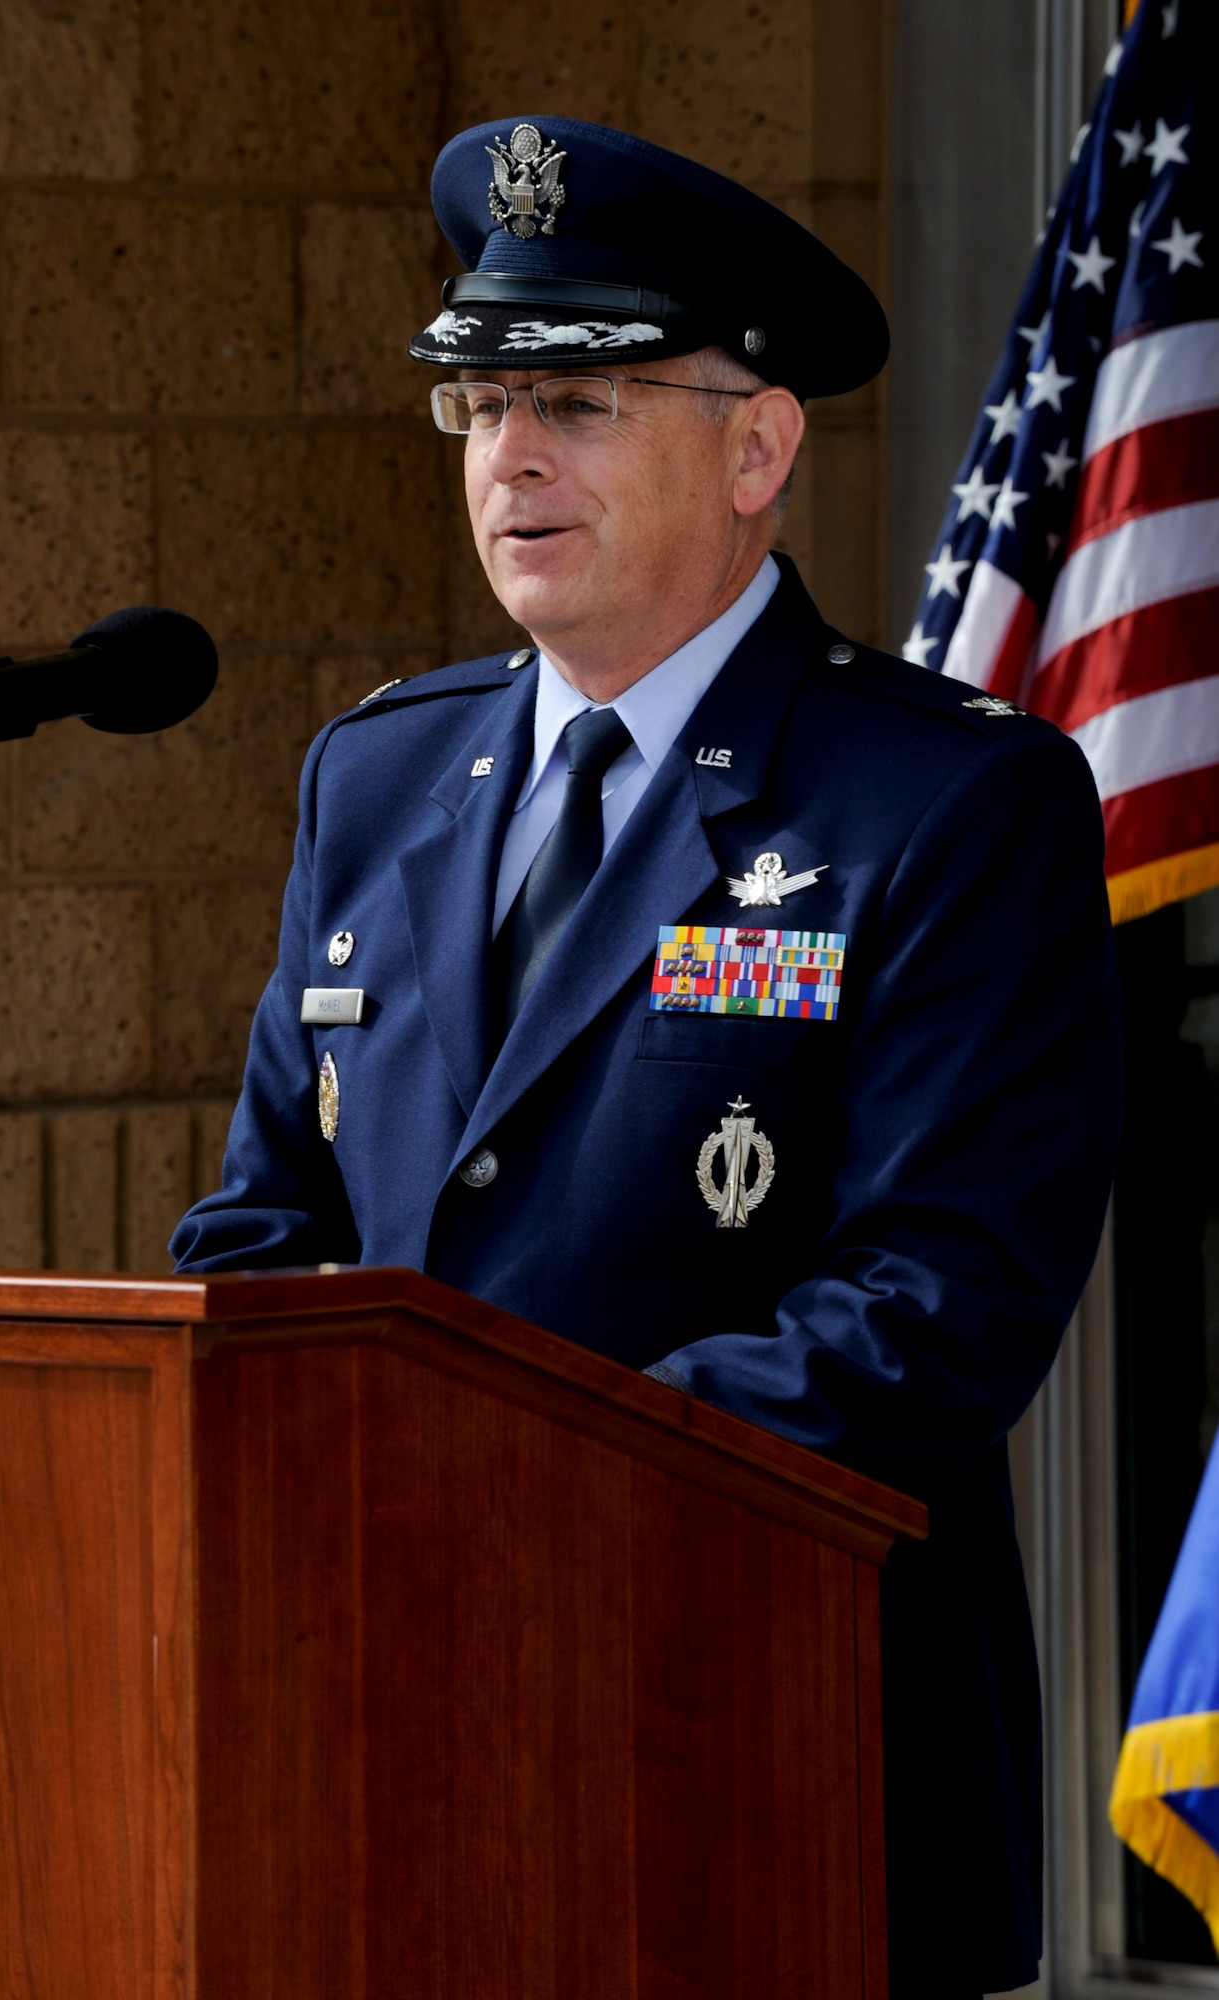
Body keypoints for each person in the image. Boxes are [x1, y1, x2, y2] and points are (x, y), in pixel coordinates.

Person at [171, 116, 1121, 1995]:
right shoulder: (373, 776)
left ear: (755, 445)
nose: (510, 455)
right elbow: (263, 1228)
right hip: (383, 1748)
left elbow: (935, 1310)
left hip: (765, 1754)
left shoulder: (947, 803)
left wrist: (513, 1490)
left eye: (583, 401)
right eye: (480, 403)